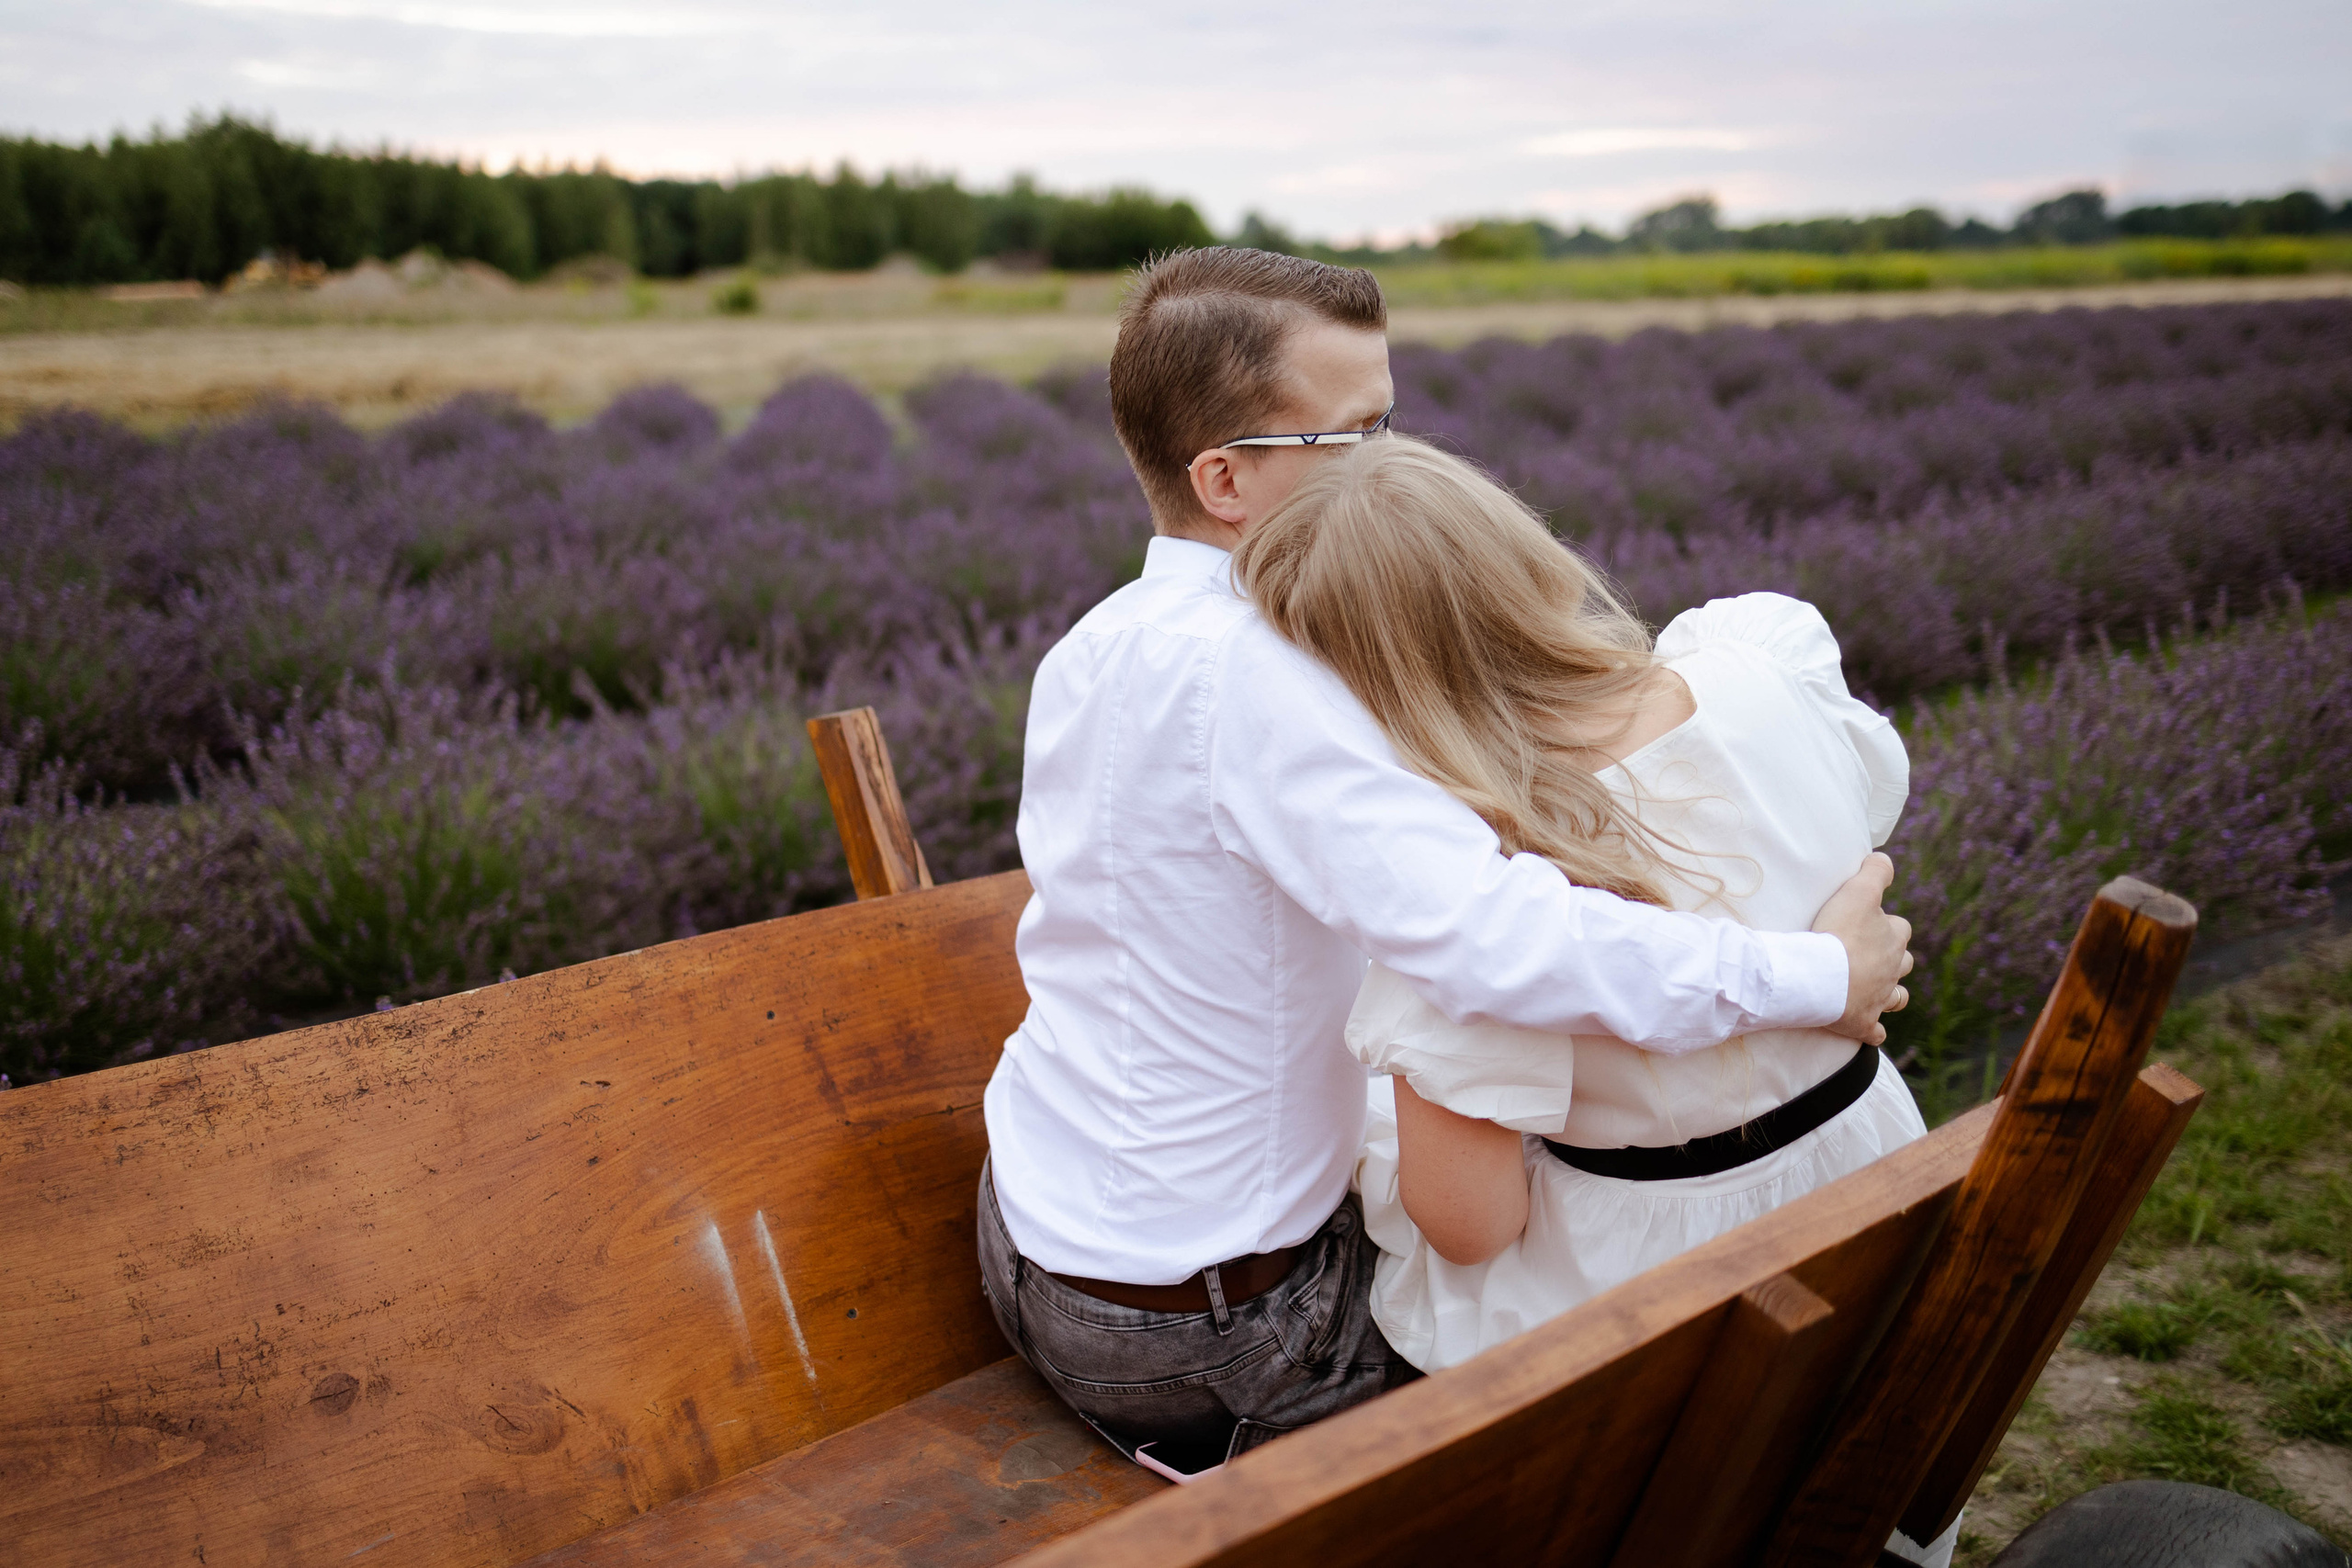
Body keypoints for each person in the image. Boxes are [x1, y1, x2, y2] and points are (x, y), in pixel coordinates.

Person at [975, 246, 1915, 1481]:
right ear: (1224, 478)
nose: (1391, 462)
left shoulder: (1098, 642)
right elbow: (1498, 942)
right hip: (1215, 1326)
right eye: (1350, 436)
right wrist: (1814, 975)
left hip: (1030, 1229)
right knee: (1554, 1363)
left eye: (1391, 421)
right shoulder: (1281, 680)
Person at [1232, 436, 1951, 1565]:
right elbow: (1865, 802)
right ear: (1525, 556)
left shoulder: (1482, 886)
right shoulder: (1759, 669)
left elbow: (1472, 1226)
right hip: (1876, 1187)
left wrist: (1370, 1124)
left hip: (1667, 1304)